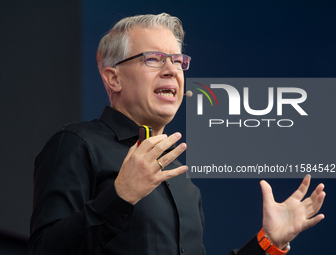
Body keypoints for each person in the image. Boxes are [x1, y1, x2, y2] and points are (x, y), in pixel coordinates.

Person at [29, 13, 325, 255]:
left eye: (178, 61)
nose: (172, 70)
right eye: (154, 59)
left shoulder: (179, 177)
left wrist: (268, 243)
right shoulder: (78, 144)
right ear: (114, 78)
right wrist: (120, 197)